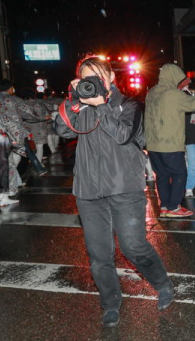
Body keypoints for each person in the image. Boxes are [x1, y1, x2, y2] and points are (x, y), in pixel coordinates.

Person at [55, 56, 176, 327]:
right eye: (87, 78)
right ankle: (110, 302)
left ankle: (162, 283)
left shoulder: (129, 105)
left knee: (133, 246)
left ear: (110, 78)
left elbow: (122, 135)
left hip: (124, 187)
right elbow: (61, 129)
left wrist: (101, 106)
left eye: (98, 76)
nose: (93, 82)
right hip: (88, 190)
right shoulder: (80, 105)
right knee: (99, 256)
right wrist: (73, 99)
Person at [144, 63, 195, 217]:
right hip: (170, 143)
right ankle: (174, 207)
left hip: (152, 144)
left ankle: (164, 205)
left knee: (162, 175)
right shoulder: (173, 94)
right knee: (180, 174)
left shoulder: (151, 92)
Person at [0, 79, 46, 176]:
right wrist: (41, 118)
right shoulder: (15, 99)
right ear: (10, 88)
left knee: (10, 154)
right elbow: (27, 113)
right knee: (22, 151)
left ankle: (11, 176)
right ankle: (13, 175)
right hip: (15, 130)